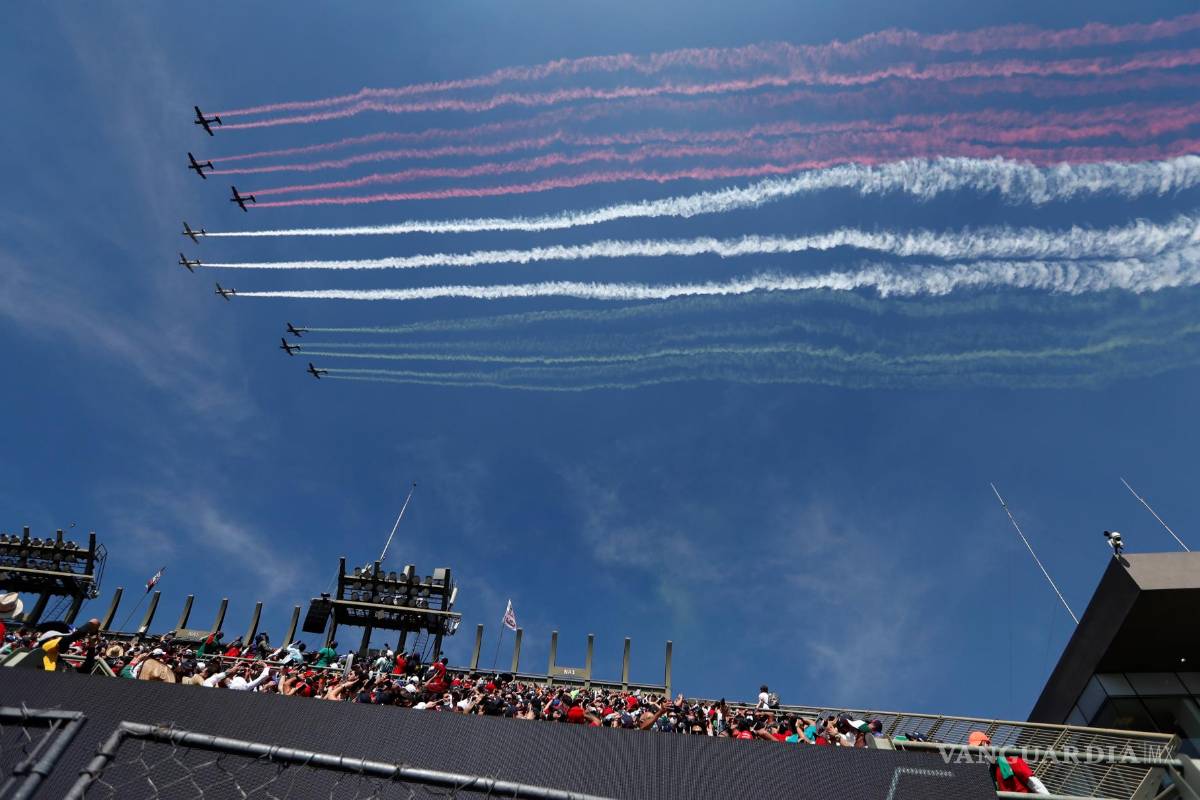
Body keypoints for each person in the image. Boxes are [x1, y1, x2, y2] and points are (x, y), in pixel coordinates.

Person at [969, 731, 1050, 795]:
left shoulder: (1009, 758)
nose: (978, 752)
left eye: (979, 746)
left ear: (985, 743)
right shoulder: (990, 771)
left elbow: (1032, 781)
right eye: (975, 750)